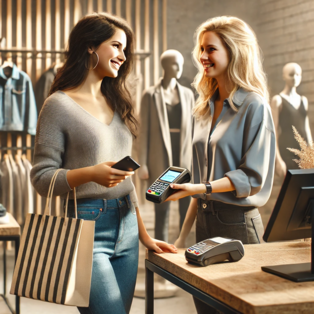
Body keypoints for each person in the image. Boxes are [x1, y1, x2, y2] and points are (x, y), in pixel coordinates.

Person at [30, 13, 177, 314]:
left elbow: (127, 179)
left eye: (125, 49)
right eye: (116, 46)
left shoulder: (117, 101)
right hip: (85, 226)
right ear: (90, 47)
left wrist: (145, 235)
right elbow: (41, 178)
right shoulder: (57, 104)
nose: (123, 56)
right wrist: (91, 174)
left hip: (127, 229)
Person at [166, 16, 276, 314]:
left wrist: (200, 187)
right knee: (206, 308)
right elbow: (201, 180)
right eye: (201, 48)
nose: (203, 56)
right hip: (204, 223)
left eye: (211, 49)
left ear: (235, 51)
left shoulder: (255, 106)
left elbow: (251, 176)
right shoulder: (203, 107)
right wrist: (179, 238)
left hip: (238, 225)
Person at [138, 49, 194, 242]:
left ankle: (181, 246)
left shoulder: (188, 95)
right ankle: (162, 250)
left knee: (185, 208)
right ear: (165, 66)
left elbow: (194, 130)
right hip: (159, 157)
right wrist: (143, 163)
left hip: (185, 157)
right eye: (175, 64)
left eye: (181, 64)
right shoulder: (150, 95)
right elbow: (143, 131)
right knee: (162, 208)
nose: (179, 68)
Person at [271, 62, 312, 177]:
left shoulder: (303, 100)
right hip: (286, 151)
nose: (295, 78)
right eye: (291, 74)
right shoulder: (277, 100)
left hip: (303, 152)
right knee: (289, 188)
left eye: (298, 74)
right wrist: (277, 159)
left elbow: (306, 128)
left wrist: (311, 153)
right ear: (284, 76)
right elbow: (273, 131)